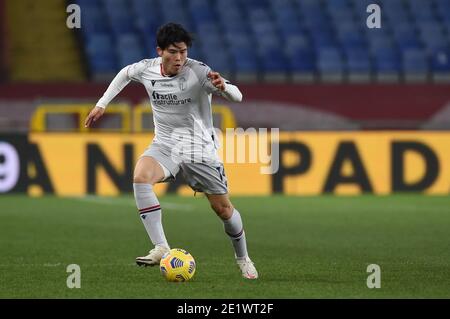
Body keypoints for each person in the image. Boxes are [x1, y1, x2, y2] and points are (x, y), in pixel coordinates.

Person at [84, 23, 258, 279]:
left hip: (198, 150)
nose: (179, 58)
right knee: (141, 176)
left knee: (223, 210)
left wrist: (223, 87)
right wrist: (101, 104)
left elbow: (238, 96)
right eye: (173, 52)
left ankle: (243, 257)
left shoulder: (199, 72)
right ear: (160, 51)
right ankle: (161, 247)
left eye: (183, 52)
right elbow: (124, 73)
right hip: (165, 144)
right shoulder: (147, 68)